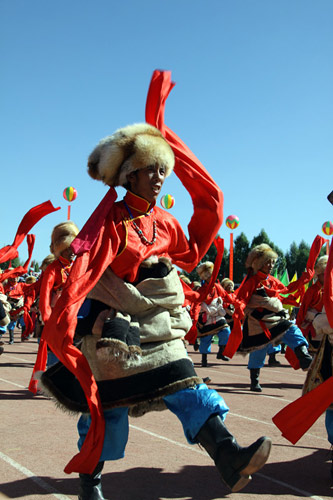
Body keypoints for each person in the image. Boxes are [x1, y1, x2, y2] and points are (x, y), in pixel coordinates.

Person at [40, 71, 272, 498]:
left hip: (158, 322)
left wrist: (208, 199)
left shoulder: (164, 222)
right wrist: (90, 321)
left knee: (186, 381)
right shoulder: (110, 219)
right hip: (117, 325)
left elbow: (192, 245)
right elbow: (87, 274)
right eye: (152, 169)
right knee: (108, 411)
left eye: (164, 169)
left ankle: (228, 455)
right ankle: (90, 483)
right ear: (129, 175)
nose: (161, 177)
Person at [224, 243, 319, 392]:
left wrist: (303, 280)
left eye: (272, 262)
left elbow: (285, 290)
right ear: (259, 263)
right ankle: (254, 380)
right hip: (257, 322)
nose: (271, 265)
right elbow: (241, 298)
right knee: (258, 350)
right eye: (268, 262)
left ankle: (304, 357)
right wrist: (238, 308)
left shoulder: (272, 281)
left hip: (275, 319)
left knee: (292, 330)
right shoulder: (251, 281)